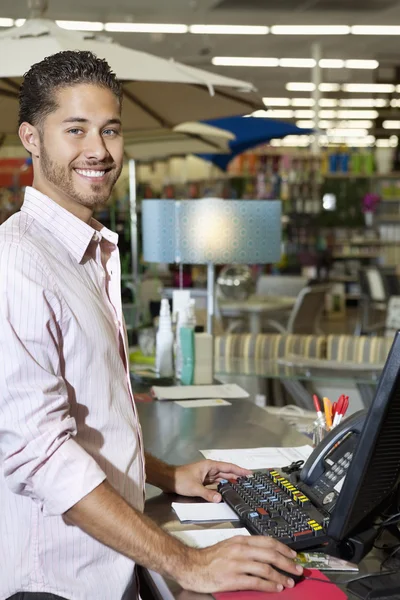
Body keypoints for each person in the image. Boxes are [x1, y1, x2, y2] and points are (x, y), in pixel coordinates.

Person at [0, 51, 303, 600]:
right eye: (76, 130)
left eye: (110, 130)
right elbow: (43, 455)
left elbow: (90, 417)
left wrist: (165, 474)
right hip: (60, 583)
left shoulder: (86, 253)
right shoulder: (17, 266)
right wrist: (188, 562)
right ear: (31, 137)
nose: (99, 150)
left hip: (111, 562)